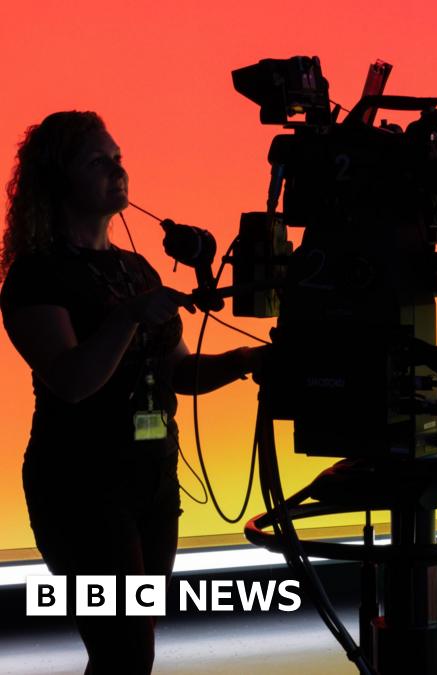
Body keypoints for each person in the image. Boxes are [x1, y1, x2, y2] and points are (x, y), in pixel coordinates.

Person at [0, 110, 263, 675]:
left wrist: (248, 360)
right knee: (125, 650)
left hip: (152, 480)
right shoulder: (35, 275)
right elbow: (71, 382)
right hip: (79, 487)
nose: (117, 172)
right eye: (98, 162)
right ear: (58, 179)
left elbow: (177, 375)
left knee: (128, 645)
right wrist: (128, 318)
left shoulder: (136, 269)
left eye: (118, 159)